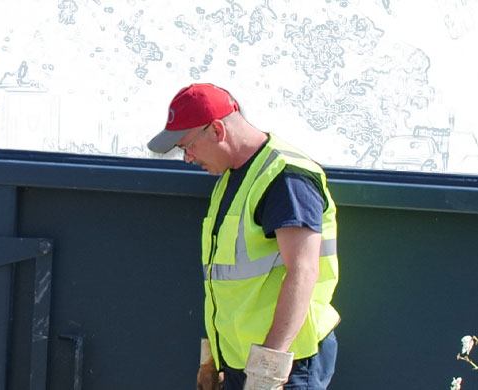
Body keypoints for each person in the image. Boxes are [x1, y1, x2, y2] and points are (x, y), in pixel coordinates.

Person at [146, 83, 340, 390]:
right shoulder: (233, 178)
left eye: (186, 146)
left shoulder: (285, 178)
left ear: (217, 131)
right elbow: (227, 284)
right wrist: (214, 359)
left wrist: (269, 372)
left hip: (287, 366)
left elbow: (303, 272)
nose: (187, 158)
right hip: (247, 365)